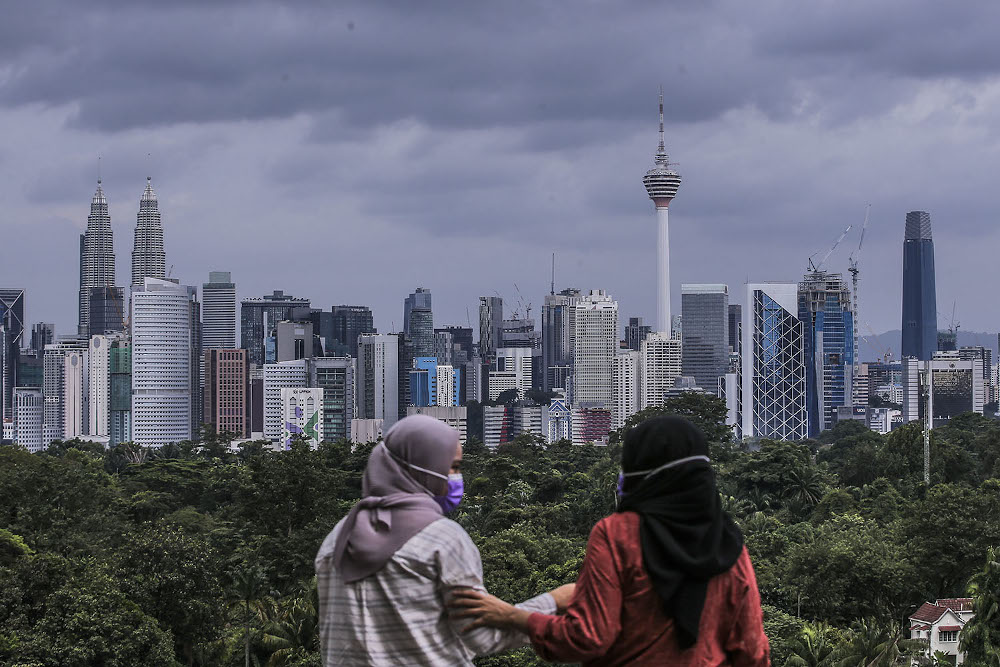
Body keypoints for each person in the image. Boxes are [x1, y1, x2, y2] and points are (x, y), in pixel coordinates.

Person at [451, 415, 770, 666]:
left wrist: (512, 616)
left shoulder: (617, 534)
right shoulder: (728, 544)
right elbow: (753, 651)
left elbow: (588, 638)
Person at [315, 414, 574, 666]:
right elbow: (482, 638)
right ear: (423, 469)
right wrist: (553, 602)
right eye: (453, 467)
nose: (456, 478)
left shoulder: (337, 539)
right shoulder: (442, 539)